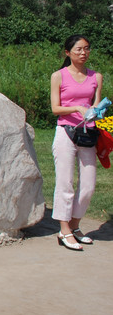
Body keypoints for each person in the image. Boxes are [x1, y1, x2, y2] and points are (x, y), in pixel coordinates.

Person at [50, 34, 103, 251]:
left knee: (88, 185)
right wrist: (77, 108)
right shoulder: (58, 76)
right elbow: (55, 108)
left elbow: (96, 105)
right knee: (65, 183)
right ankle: (64, 230)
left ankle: (75, 226)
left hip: (88, 134)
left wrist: (97, 112)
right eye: (79, 49)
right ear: (68, 53)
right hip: (65, 131)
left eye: (87, 49)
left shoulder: (96, 77)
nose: (84, 53)